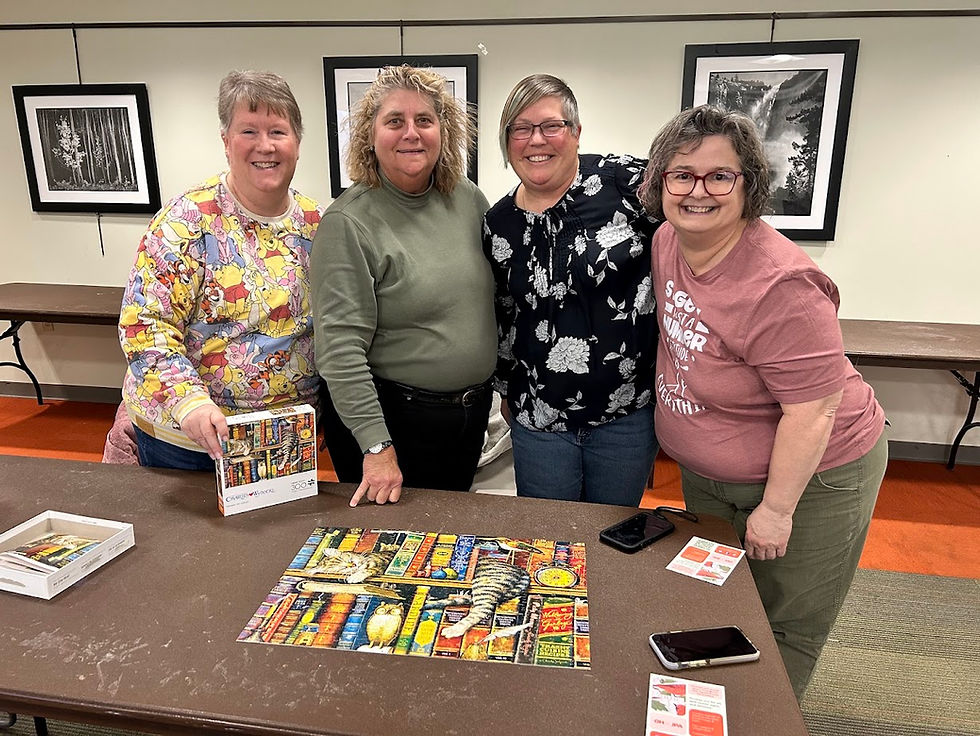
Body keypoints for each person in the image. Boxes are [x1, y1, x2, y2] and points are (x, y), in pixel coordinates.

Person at [638, 105, 887, 698]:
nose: (698, 191)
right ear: (660, 182)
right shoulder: (667, 240)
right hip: (710, 475)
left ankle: (764, 719)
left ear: (750, 185)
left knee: (783, 622)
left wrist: (777, 509)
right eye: (682, 174)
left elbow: (815, 410)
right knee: (719, 604)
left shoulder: (783, 285)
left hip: (814, 476)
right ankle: (717, 708)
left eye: (719, 176)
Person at [311, 64, 496, 507]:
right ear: (370, 137)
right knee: (392, 552)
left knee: (447, 540)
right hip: (394, 420)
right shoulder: (348, 222)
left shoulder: (467, 199)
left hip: (468, 416)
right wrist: (376, 446)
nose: (411, 133)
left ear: (443, 131)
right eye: (395, 121)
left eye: (424, 121)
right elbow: (338, 349)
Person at [119, 70, 323, 470]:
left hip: (285, 437)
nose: (265, 146)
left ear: (297, 144)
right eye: (249, 131)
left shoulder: (318, 223)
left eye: (278, 131)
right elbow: (145, 325)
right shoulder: (186, 221)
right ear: (226, 142)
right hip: (192, 441)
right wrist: (189, 403)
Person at [482, 74, 660, 506]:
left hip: (627, 414)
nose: (535, 140)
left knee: (614, 539)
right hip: (539, 422)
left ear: (576, 132)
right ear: (507, 142)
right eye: (520, 129)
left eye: (551, 126)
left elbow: (699, 233)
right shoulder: (498, 223)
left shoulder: (627, 183)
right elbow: (505, 317)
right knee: (548, 545)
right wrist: (506, 394)